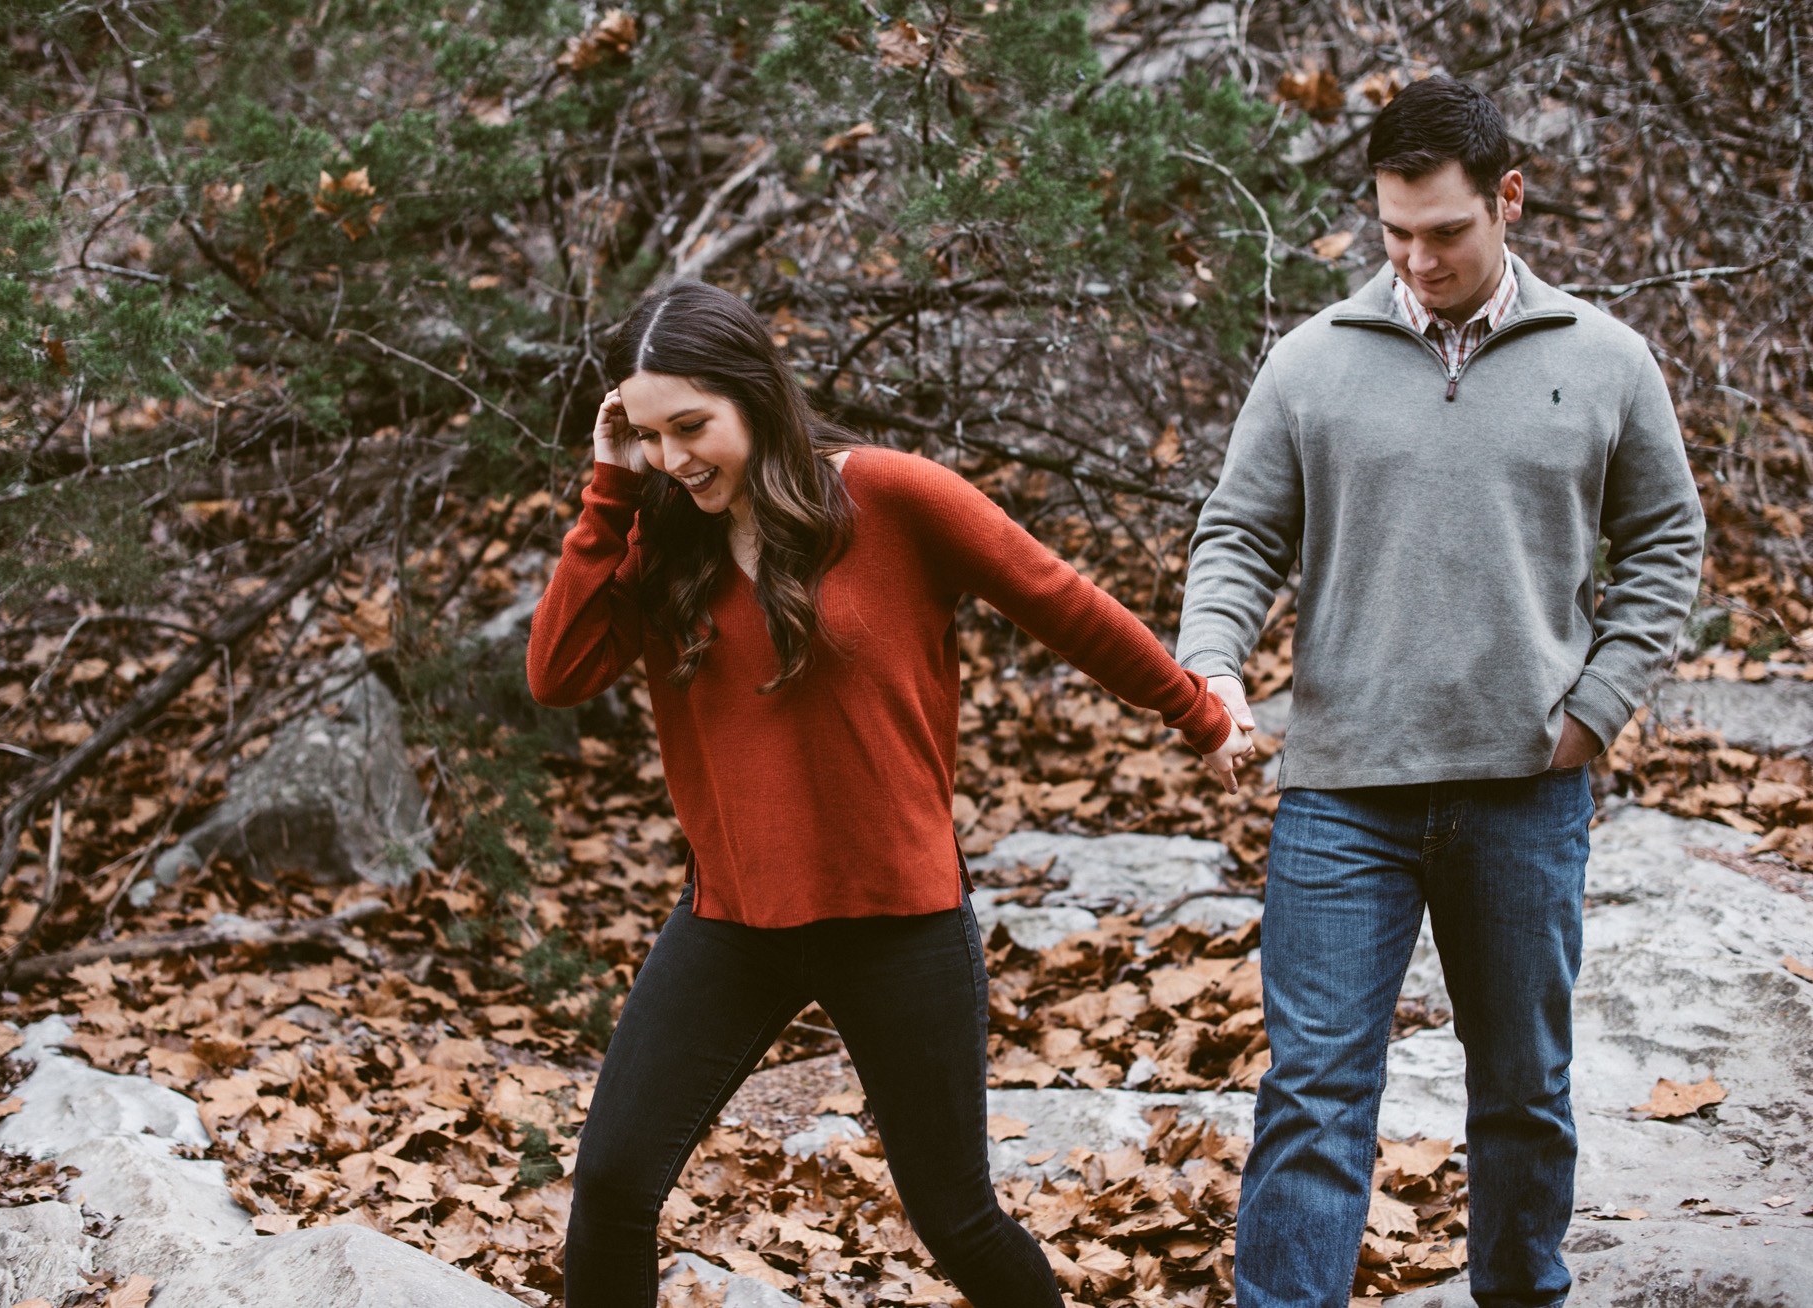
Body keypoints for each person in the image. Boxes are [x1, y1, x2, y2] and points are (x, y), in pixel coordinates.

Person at [527, 279, 1252, 1305]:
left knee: (955, 1216)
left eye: (692, 426)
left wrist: (1198, 713)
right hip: (734, 921)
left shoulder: (895, 498)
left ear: (756, 397)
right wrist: (608, 488)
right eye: (648, 436)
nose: (674, 457)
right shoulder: (661, 537)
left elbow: (1061, 603)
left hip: (900, 922)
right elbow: (555, 674)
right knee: (609, 1185)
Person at [1177, 77, 1705, 1308]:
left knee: (1522, 1090)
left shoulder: (1608, 359)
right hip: (1340, 796)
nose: (1416, 259)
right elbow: (1238, 532)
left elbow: (1667, 542)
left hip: (1526, 788)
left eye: (1445, 232)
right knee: (1312, 1097)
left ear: (1508, 199)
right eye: (1393, 232)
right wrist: (1213, 660)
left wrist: (1597, 705)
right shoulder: (1312, 362)